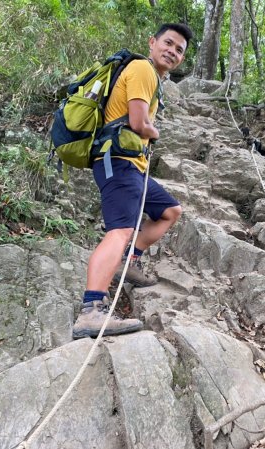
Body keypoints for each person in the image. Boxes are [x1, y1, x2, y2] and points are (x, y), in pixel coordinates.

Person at [72, 23, 193, 339]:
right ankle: (90, 311)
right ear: (152, 42)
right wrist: (154, 131)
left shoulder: (152, 77)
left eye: (179, 50)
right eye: (168, 43)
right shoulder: (142, 69)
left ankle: (130, 262)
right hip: (118, 162)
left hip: (134, 167)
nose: (172, 51)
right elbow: (139, 123)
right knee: (121, 230)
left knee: (170, 211)